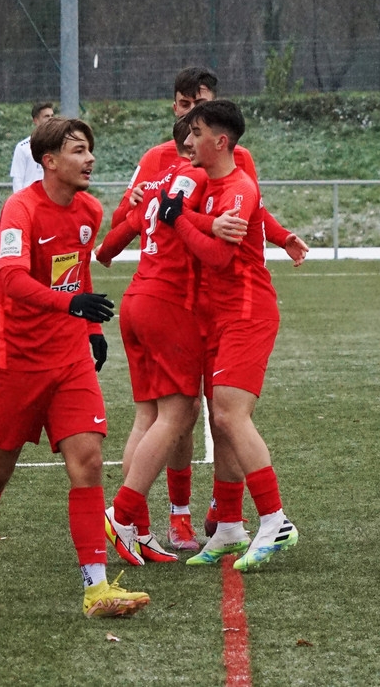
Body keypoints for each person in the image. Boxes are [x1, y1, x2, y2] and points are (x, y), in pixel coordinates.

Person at [0, 116, 149, 618]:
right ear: (50, 161)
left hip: (69, 357)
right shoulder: (19, 210)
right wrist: (71, 305)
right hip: (16, 362)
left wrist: (92, 328)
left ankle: (96, 589)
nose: (90, 159)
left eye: (90, 149)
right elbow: (13, 280)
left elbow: (76, 272)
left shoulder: (90, 210)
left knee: (88, 462)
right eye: (79, 150)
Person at [112, 67, 308, 550]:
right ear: (174, 107)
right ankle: (171, 518)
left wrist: (278, 236)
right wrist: (145, 208)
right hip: (180, 305)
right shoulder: (157, 158)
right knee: (177, 418)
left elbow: (246, 212)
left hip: (217, 305)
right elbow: (125, 222)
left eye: (198, 111)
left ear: (216, 130)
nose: (189, 125)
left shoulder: (235, 165)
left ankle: (227, 520)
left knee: (216, 416)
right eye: (184, 107)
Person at [157, 100, 299, 571]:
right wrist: (186, 216)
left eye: (196, 132)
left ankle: (275, 520)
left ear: (220, 142)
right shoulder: (207, 184)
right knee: (221, 423)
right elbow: (181, 215)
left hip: (246, 312)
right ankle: (230, 528)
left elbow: (218, 255)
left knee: (230, 414)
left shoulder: (238, 187)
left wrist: (180, 219)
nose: (187, 141)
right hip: (215, 316)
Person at [93, 117, 240, 565]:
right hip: (169, 305)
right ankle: (122, 514)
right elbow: (204, 227)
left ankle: (138, 531)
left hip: (137, 300)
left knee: (148, 416)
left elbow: (107, 248)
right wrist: (214, 224)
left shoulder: (159, 183)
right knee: (180, 413)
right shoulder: (201, 177)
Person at [9, 101, 55, 192]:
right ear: (35, 120)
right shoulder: (23, 147)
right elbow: (18, 179)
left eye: (52, 116)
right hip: (31, 197)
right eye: (46, 116)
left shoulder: (58, 145)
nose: (50, 119)